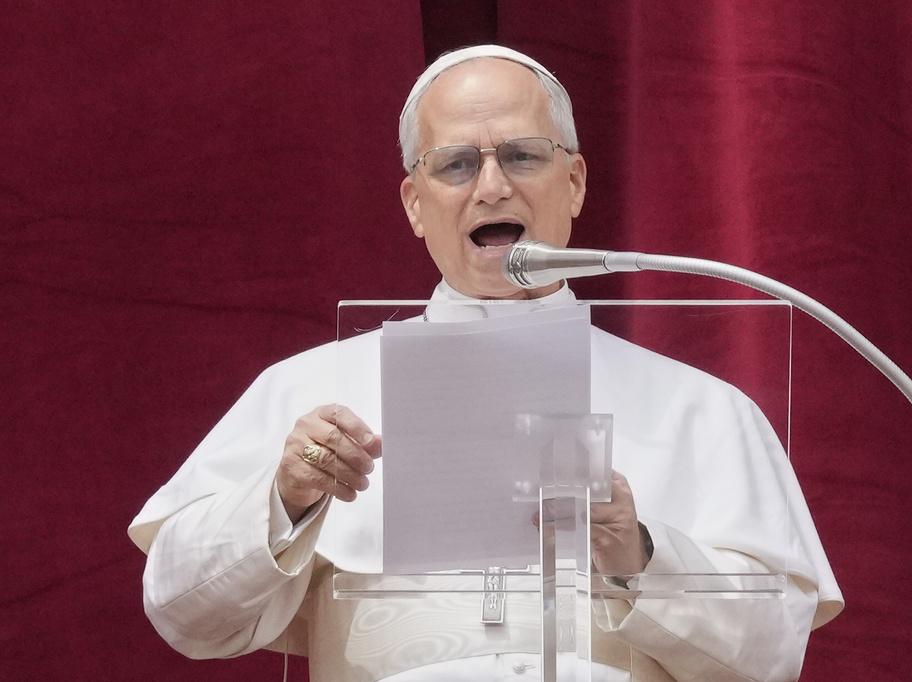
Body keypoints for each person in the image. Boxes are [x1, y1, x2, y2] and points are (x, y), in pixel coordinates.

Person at [129, 45, 843, 681]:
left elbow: (773, 655)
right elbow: (183, 614)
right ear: (415, 202)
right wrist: (284, 498)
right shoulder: (307, 390)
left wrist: (640, 549)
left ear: (575, 182)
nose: (492, 187)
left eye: (523, 156)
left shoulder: (702, 409)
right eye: (457, 164)